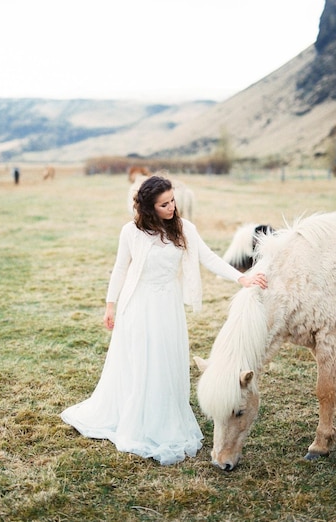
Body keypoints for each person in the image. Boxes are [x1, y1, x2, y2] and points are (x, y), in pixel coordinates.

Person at [61, 175, 267, 465]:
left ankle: (162, 414)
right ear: (149, 208)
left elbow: (209, 259)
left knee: (164, 359)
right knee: (140, 360)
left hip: (167, 306)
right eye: (164, 204)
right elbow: (120, 269)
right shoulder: (130, 232)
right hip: (137, 304)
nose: (171, 208)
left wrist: (242, 278)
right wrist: (110, 305)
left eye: (172, 201)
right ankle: (135, 415)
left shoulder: (184, 229)